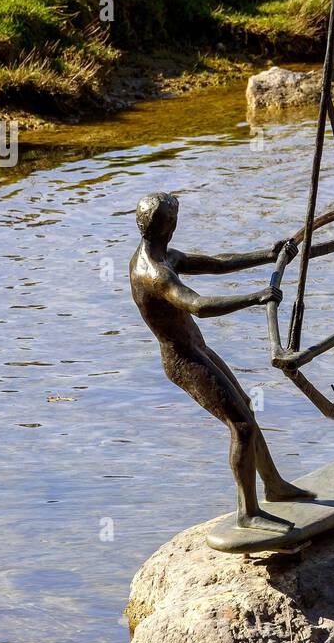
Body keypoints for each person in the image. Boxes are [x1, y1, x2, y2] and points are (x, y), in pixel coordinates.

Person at [129, 192, 312, 529]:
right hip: (183, 361)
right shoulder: (155, 273)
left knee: (245, 407)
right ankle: (248, 513)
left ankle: (274, 486)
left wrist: (267, 255)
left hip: (197, 349)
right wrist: (255, 297)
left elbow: (217, 264)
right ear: (170, 226)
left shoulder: (163, 255)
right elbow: (199, 306)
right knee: (240, 425)